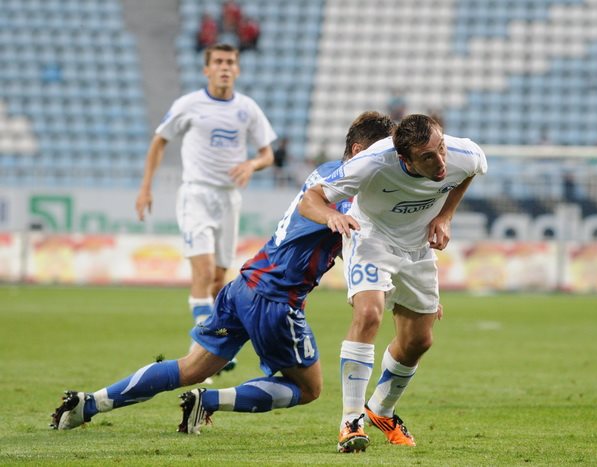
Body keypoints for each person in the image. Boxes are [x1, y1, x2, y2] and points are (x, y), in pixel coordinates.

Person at [51, 112, 397, 435]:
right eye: (384, 154)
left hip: (245, 285)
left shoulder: (326, 172)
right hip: (276, 298)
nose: (389, 163)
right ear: (359, 151)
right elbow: (339, 221)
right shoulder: (346, 193)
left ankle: (90, 403)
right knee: (309, 389)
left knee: (192, 368)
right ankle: (209, 401)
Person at [298, 114, 487, 453]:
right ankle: (351, 422)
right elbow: (309, 200)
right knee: (369, 314)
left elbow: (471, 171)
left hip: (417, 247)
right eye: (428, 157)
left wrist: (445, 215)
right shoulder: (372, 162)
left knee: (418, 341)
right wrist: (333, 215)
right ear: (404, 159)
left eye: (441, 149)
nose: (441, 162)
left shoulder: (464, 154)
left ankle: (381, 410)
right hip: (370, 238)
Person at [135, 44, 276, 353]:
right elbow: (159, 141)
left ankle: (206, 348)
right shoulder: (189, 104)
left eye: (230, 62)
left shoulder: (247, 108)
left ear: (237, 69)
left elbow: (268, 154)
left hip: (229, 198)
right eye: (218, 62)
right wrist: (146, 187)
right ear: (206, 69)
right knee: (203, 270)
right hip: (196, 194)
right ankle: (204, 350)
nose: (224, 67)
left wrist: (252, 164)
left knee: (218, 279)